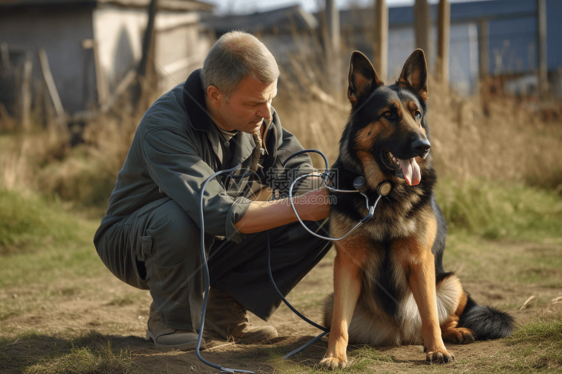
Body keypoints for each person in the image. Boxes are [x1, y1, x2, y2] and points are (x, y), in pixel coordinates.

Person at [93, 31, 332, 350]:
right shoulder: (165, 124)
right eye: (255, 103)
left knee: (324, 215)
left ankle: (222, 316)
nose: (266, 113)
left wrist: (326, 193)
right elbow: (214, 211)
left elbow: (296, 167)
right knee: (176, 216)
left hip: (211, 236)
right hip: (139, 240)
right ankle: (171, 321)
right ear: (216, 95)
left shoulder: (259, 114)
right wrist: (302, 206)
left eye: (271, 99)